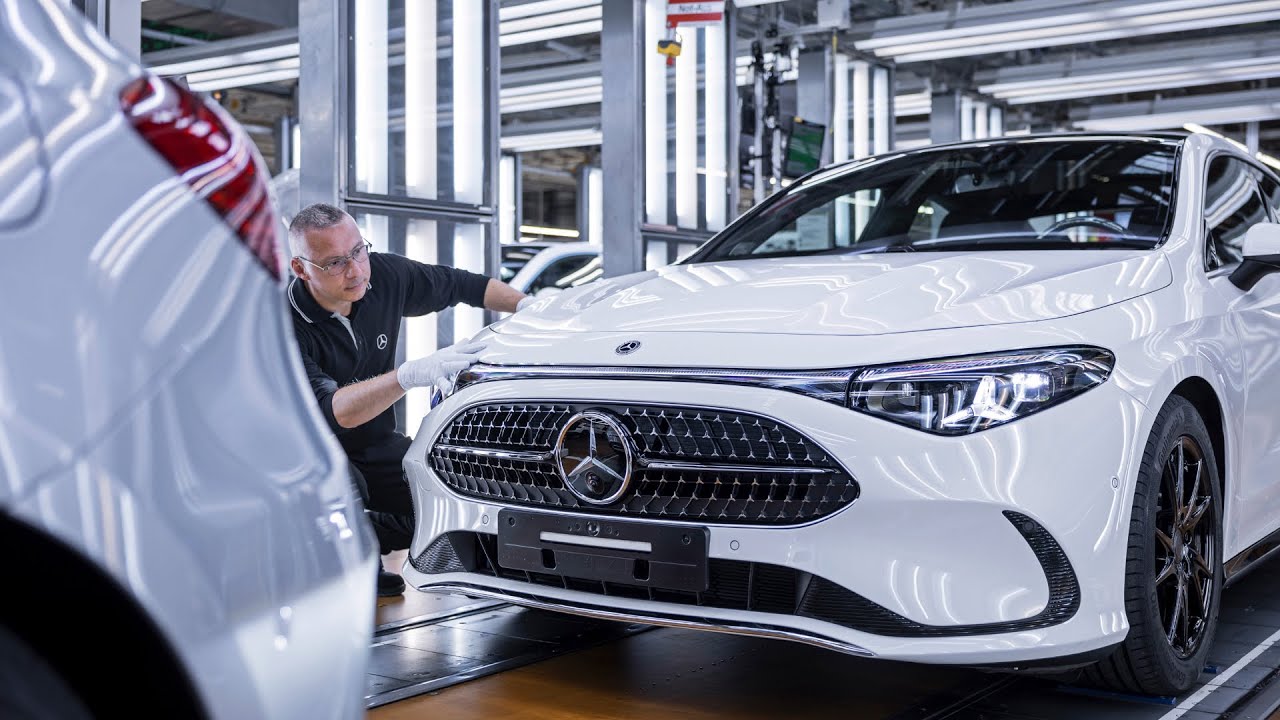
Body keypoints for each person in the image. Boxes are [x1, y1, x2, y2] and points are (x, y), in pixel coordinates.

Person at [286, 203, 530, 596]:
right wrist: (408, 375)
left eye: (358, 251)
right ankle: (336, 558)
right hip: (310, 457)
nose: (356, 271)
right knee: (345, 488)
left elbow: (462, 285)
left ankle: (364, 541)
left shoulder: (381, 275)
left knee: (440, 506)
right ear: (301, 268)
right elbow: (336, 412)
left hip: (375, 444)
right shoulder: (283, 324)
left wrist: (529, 307)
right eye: (334, 263)